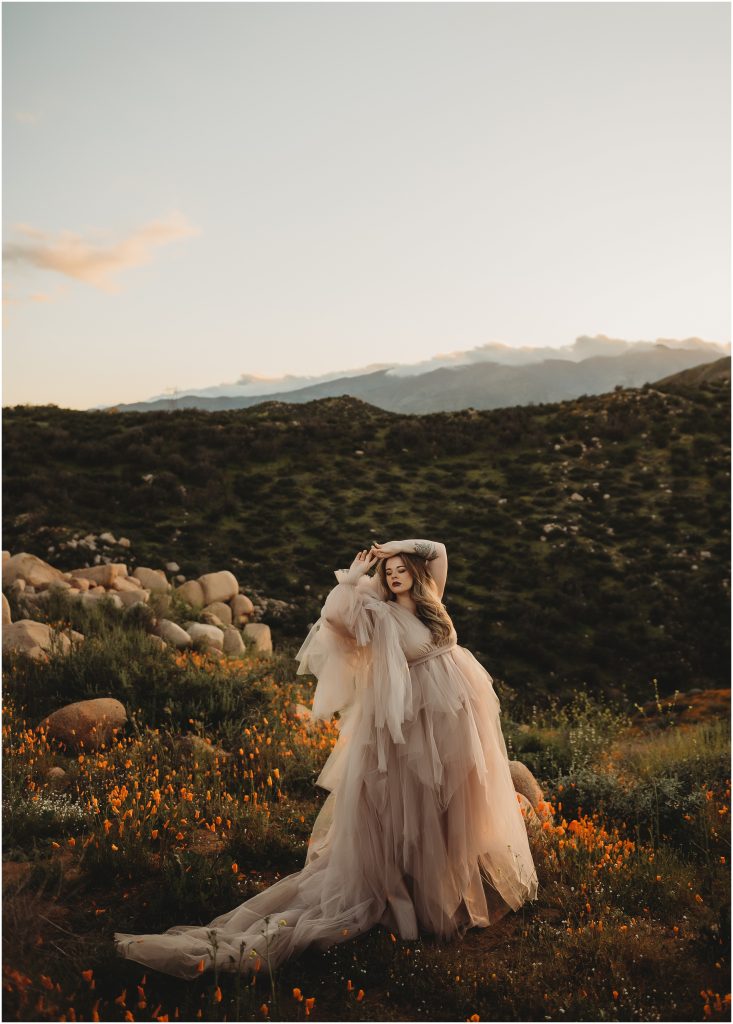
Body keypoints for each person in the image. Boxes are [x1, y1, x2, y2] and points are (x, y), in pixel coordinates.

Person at [114, 539, 539, 979]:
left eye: (401, 569)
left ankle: (452, 887)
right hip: (417, 729)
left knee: (455, 806)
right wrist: (353, 579)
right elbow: (334, 620)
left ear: (415, 571)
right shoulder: (379, 612)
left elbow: (440, 550)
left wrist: (392, 547)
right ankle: (419, 900)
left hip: (457, 721)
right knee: (419, 812)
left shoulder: (433, 600)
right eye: (389, 571)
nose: (395, 576)